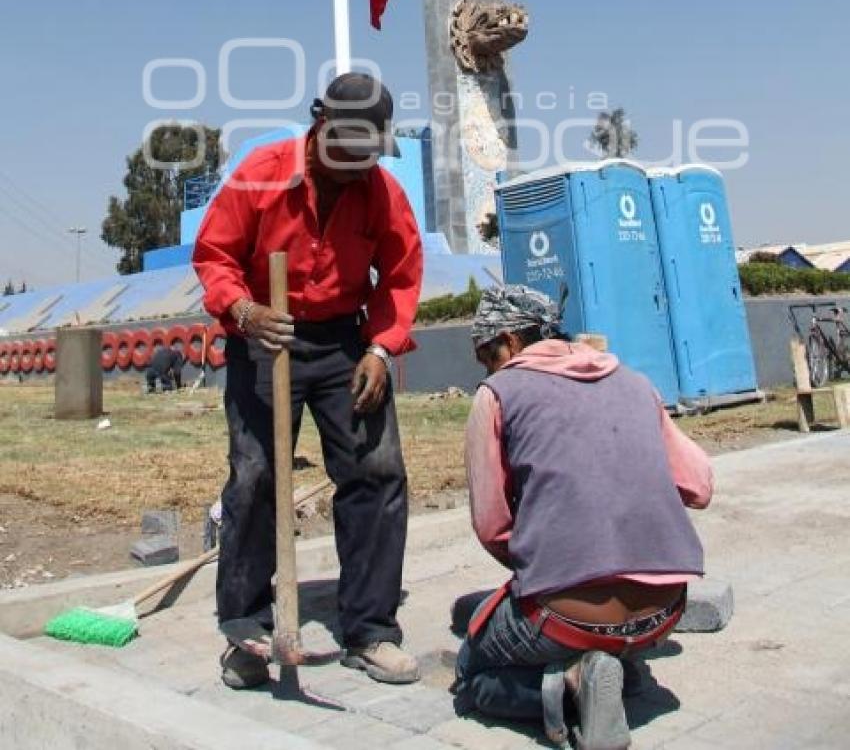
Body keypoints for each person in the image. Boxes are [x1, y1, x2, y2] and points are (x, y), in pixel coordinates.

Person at [192, 73, 423, 690]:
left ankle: (371, 631)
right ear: (320, 128)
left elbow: (401, 277)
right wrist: (242, 311)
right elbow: (214, 255)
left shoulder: (381, 191)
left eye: (367, 155)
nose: (356, 168)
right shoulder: (262, 171)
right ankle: (246, 629)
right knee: (257, 474)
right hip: (264, 336)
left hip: (346, 340)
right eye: (347, 153)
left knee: (376, 473)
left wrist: (380, 345)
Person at [454, 285, 714, 750]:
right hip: (665, 610)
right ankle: (622, 670)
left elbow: (492, 527)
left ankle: (570, 683)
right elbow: (700, 485)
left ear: (510, 342)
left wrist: (549, 555)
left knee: (471, 672)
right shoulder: (636, 383)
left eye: (485, 356)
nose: (486, 370)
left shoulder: (497, 394)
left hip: (565, 617)